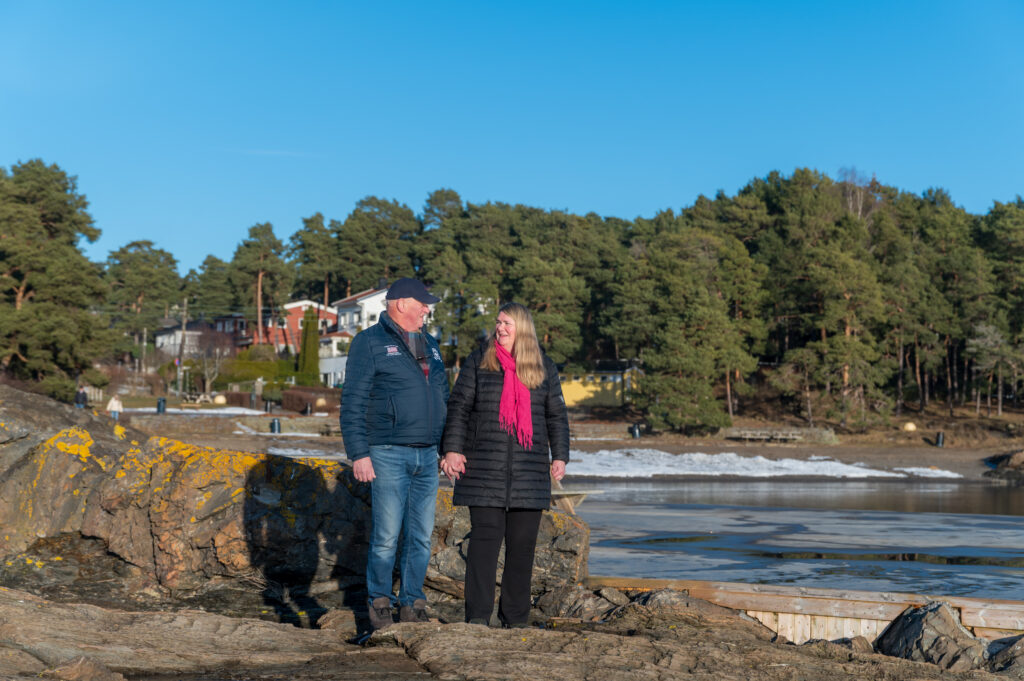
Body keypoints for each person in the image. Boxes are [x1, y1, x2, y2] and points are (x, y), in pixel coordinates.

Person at [440, 302, 570, 627]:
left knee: (522, 547)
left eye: (507, 323)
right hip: (484, 469)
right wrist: (452, 450)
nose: (500, 328)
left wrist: (560, 456)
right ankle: (477, 619)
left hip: (529, 472)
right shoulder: (478, 363)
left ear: (522, 328)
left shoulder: (544, 367)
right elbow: (457, 407)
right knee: (484, 543)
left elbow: (556, 415)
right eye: (498, 322)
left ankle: (515, 619)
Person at [340, 277, 448, 631]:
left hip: (427, 456)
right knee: (386, 535)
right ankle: (379, 604)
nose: (427, 310)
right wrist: (359, 453)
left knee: (420, 536)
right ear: (401, 303)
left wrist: (448, 449)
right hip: (386, 452)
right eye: (422, 304)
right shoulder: (368, 342)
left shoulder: (431, 344)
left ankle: (413, 602)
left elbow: (443, 399)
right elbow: (352, 402)